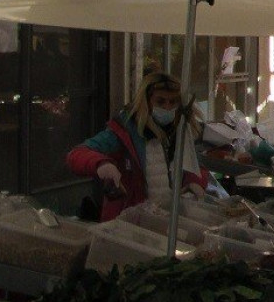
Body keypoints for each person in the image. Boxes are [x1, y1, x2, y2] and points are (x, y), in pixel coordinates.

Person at [67, 72, 211, 222]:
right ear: (146, 101)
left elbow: (194, 164)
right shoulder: (124, 131)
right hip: (129, 223)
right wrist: (101, 164)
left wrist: (195, 182)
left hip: (169, 220)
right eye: (160, 102)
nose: (167, 107)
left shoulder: (182, 130)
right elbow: (76, 155)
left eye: (173, 102)